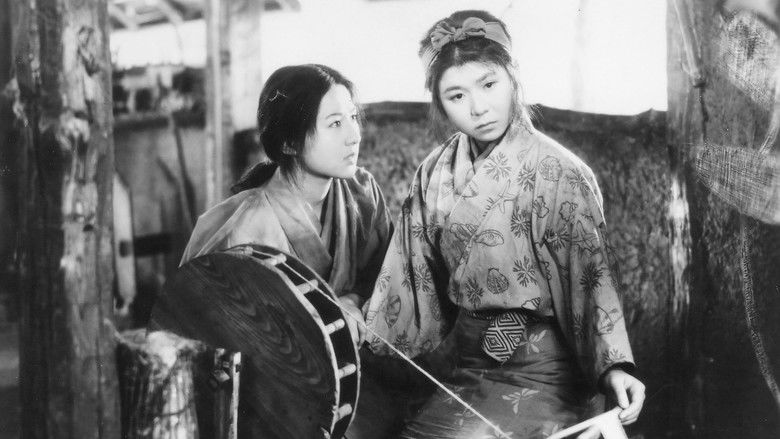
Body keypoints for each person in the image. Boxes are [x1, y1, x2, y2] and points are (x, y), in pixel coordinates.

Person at [363, 10, 645, 438]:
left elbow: (592, 282)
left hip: (546, 375)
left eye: (489, 84)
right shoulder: (435, 172)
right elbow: (409, 274)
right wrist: (363, 321)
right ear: (439, 103)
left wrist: (615, 367)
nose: (478, 108)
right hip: (471, 368)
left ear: (513, 78)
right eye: (456, 95)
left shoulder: (560, 172)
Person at [179, 64, 397, 437]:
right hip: (271, 402)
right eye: (335, 123)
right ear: (290, 143)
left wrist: (355, 301)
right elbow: (201, 334)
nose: (354, 135)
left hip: (353, 377)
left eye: (353, 117)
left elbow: (388, 274)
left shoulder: (362, 193)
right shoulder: (242, 227)